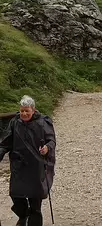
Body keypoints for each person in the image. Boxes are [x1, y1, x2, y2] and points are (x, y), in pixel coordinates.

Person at [0, 95, 56, 226]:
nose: (24, 113)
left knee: (35, 202)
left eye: (27, 111)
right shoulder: (15, 122)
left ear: (33, 109)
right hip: (19, 166)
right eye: (22, 111)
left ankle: (33, 220)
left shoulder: (43, 122)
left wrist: (47, 148)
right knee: (16, 196)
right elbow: (6, 143)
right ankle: (23, 215)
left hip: (36, 166)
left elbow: (51, 140)